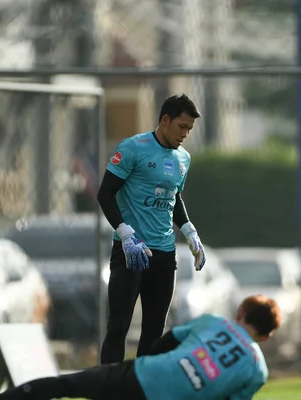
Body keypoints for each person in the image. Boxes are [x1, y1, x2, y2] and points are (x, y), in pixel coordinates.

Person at [0, 295, 282, 400]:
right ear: (266, 337)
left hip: (147, 375)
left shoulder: (214, 322)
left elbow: (166, 342)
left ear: (240, 313)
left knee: (69, 385)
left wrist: (140, 367)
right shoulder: (258, 370)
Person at [96, 94, 207, 364]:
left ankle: (143, 391)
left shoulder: (183, 159)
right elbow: (105, 193)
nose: (185, 134)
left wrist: (190, 231)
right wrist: (124, 233)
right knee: (118, 327)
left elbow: (173, 198)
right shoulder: (134, 147)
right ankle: (108, 391)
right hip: (132, 251)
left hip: (164, 254)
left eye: (189, 130)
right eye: (182, 127)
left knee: (154, 333)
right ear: (165, 120)